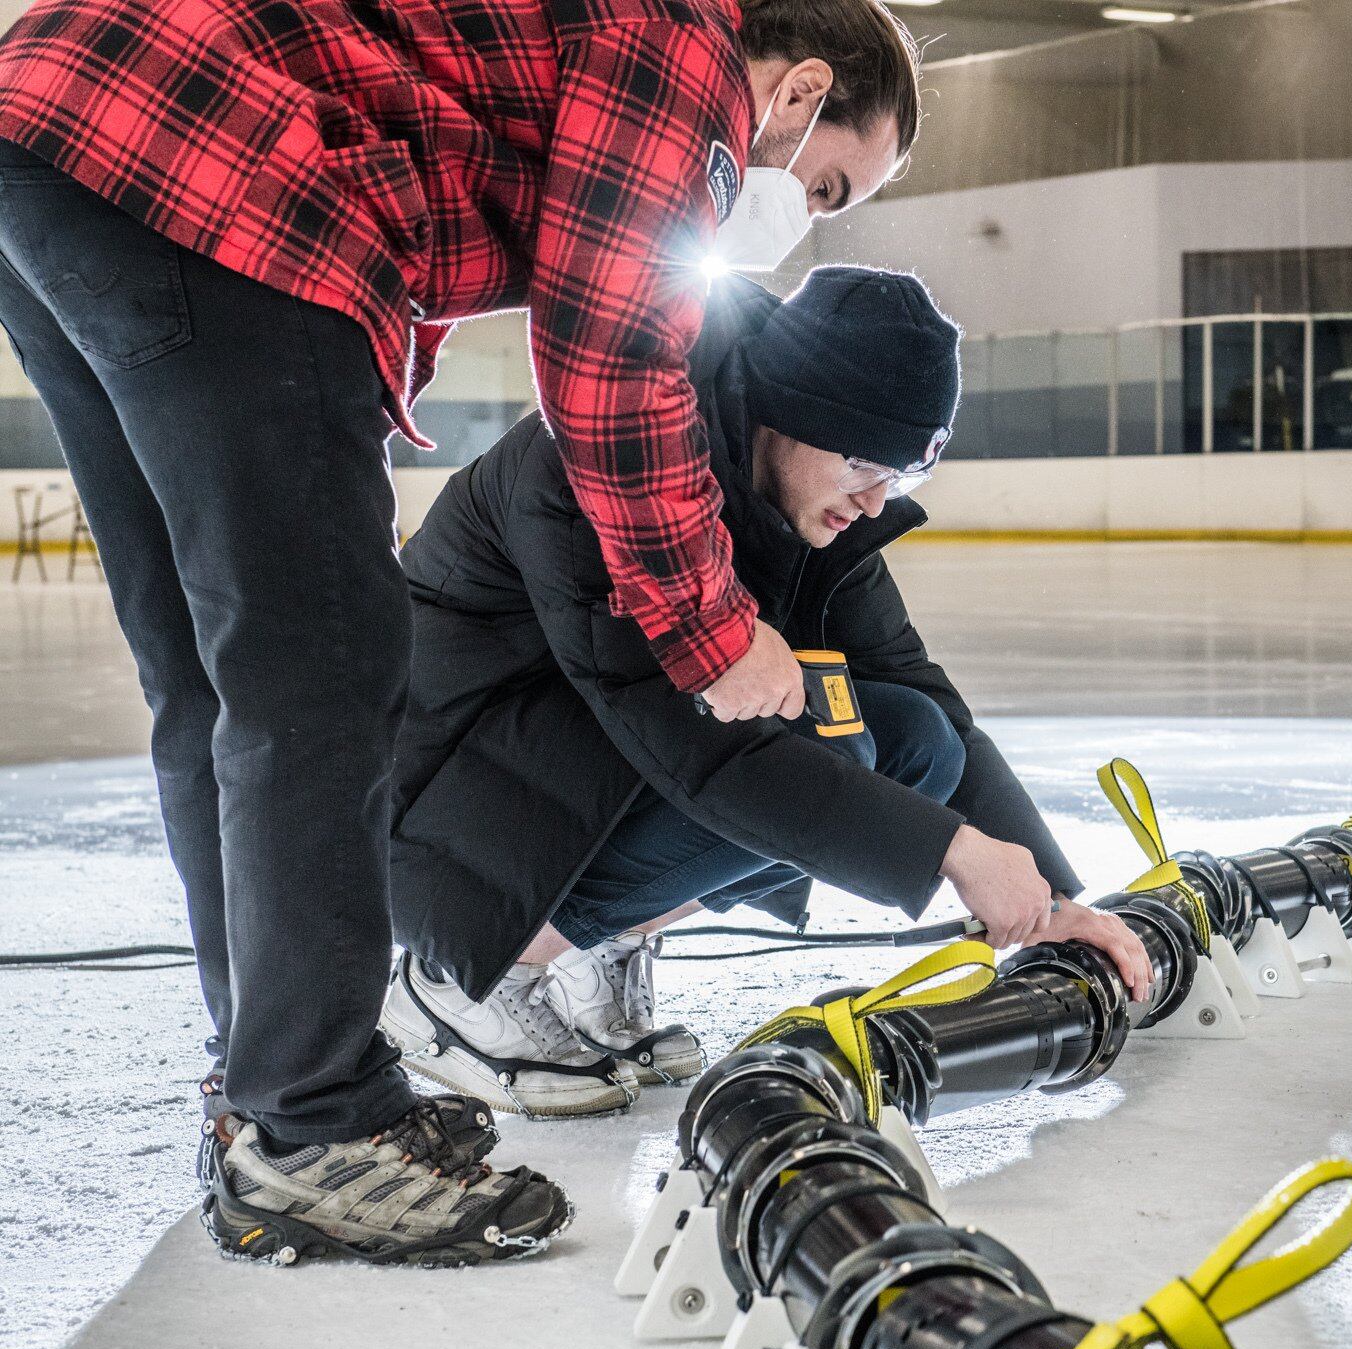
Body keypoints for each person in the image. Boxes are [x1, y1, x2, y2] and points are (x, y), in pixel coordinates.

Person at [0, 0, 921, 1265]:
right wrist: (712, 632)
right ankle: (312, 1123)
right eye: (821, 188)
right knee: (319, 669)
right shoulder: (686, 46)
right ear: (798, 92)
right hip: (210, 157)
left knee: (216, 679)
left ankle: (269, 1087)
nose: (796, 216)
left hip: (61, 130)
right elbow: (606, 354)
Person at [380, 266, 1157, 1118]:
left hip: (569, 770)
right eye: (861, 461)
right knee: (824, 748)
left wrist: (1048, 897)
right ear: (783, 414)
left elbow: (913, 684)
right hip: (437, 800)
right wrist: (956, 853)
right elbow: (696, 753)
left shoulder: (810, 504)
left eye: (903, 472)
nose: (874, 500)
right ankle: (462, 978)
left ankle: (593, 945)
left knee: (911, 739)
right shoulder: (607, 475)